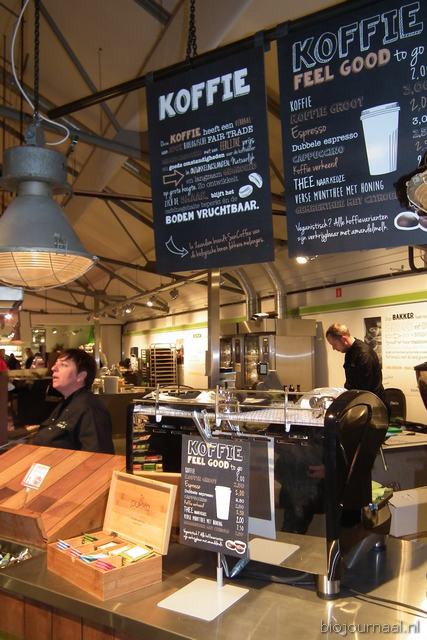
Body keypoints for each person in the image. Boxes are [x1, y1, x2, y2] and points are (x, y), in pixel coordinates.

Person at [31, 348, 114, 453]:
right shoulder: (66, 402)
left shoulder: (90, 409)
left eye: (63, 365)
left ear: (81, 376)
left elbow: (98, 455)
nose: (53, 368)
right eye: (56, 364)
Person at [325, 322, 385, 403]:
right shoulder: (349, 352)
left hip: (372, 404)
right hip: (361, 400)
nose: (333, 348)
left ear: (343, 339)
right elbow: (350, 382)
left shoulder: (364, 354)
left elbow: (365, 388)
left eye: (334, 344)